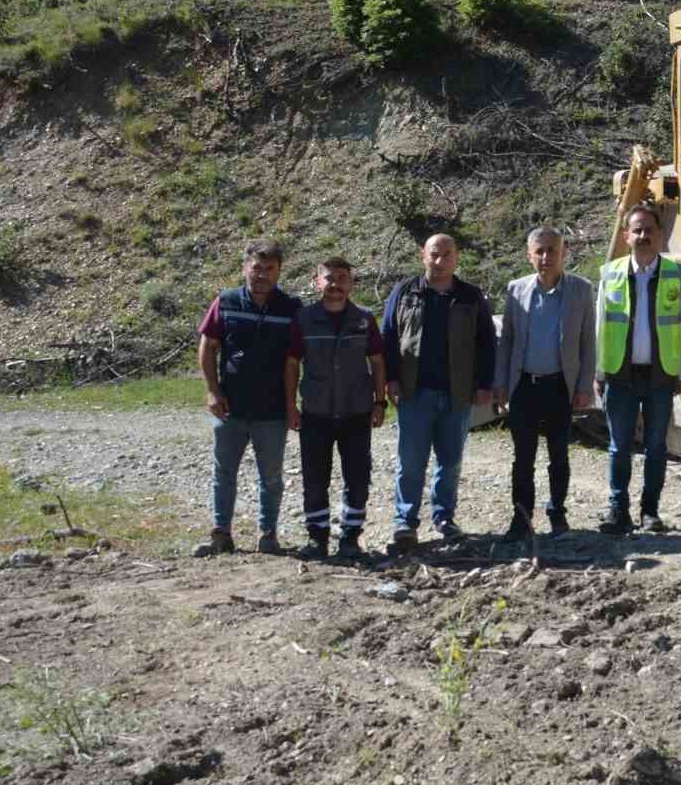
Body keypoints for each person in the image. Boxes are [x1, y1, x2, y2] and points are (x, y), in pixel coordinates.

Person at [382, 233, 496, 554]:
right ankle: (405, 521)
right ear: (423, 255)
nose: (440, 260)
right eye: (434, 254)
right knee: (411, 461)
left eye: (447, 254)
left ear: (456, 258)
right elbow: (388, 336)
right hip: (414, 392)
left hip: (457, 394)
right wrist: (390, 378)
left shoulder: (470, 296)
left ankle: (444, 518)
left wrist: (484, 384)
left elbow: (487, 343)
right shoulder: (405, 292)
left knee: (450, 460)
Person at [195, 242, 302, 556]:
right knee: (223, 472)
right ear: (245, 268)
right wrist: (212, 390)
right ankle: (221, 533)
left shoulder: (291, 308)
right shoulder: (225, 302)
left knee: (270, 477)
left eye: (269, 269)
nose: (262, 275)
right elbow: (207, 346)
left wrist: (291, 404)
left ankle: (268, 536)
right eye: (256, 267)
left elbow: (295, 361)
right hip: (230, 407)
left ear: (279, 271)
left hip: (272, 411)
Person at [595, 205, 681, 535]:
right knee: (618, 446)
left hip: (659, 376)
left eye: (649, 229)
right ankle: (617, 510)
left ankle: (649, 512)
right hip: (619, 374)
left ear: (659, 234)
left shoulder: (676, 274)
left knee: (656, 447)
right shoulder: (609, 272)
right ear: (626, 236)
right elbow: (600, 325)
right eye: (636, 230)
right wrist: (598, 371)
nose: (643, 236)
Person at [494, 227, 596, 542]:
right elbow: (507, 340)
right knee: (523, 457)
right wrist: (501, 383)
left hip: (559, 387)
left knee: (558, 455)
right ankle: (521, 518)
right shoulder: (516, 289)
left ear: (564, 253)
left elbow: (587, 343)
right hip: (524, 385)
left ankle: (557, 512)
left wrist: (583, 385)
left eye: (552, 250)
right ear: (529, 255)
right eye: (539, 251)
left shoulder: (581, 290)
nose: (546, 257)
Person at [284, 257, 387, 560]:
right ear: (318, 282)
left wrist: (379, 401)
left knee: (357, 477)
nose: (336, 284)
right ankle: (317, 540)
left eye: (343, 278)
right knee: (315, 478)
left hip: (356, 412)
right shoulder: (303, 319)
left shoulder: (365, 319)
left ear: (351, 283)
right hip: (316, 412)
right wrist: (291, 406)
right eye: (329, 278)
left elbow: (378, 362)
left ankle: (351, 539)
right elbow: (291, 365)